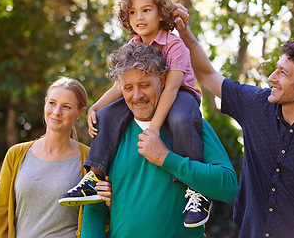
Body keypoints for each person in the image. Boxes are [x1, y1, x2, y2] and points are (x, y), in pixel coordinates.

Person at [172, 4, 294, 238]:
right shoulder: (256, 104)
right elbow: (207, 74)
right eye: (276, 69)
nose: (272, 78)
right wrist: (184, 31)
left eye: (283, 73)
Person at [59, 0, 212, 228]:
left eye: (146, 10)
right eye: (132, 12)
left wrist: (154, 129)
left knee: (180, 118)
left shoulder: (174, 45)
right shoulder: (133, 45)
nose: (139, 17)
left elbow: (170, 88)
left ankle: (197, 191)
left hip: (180, 94)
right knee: (107, 115)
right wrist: (96, 107)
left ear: (161, 14)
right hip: (149, 93)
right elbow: (120, 86)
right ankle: (94, 177)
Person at [80, 42, 238, 238]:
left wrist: (166, 158)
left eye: (145, 85)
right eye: (128, 88)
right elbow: (94, 211)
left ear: (163, 80)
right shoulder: (110, 132)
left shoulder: (189, 124)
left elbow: (228, 187)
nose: (137, 96)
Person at [0, 77, 112, 238]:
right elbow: (1, 216)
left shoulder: (90, 159)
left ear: (79, 113)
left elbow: (100, 218)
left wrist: (109, 203)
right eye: (52, 103)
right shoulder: (16, 154)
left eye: (66, 107)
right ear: (45, 103)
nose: (56, 112)